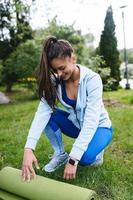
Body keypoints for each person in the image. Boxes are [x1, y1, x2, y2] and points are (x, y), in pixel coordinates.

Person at [22, 36, 113, 181]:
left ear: (73, 58)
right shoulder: (55, 81)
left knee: (83, 159)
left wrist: (73, 159)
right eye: (54, 70)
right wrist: (28, 149)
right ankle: (60, 154)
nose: (58, 74)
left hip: (99, 127)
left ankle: (96, 152)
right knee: (48, 116)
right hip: (77, 126)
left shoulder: (92, 80)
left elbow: (91, 121)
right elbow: (41, 114)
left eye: (62, 68)